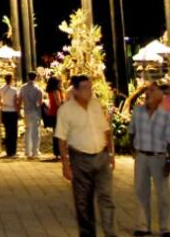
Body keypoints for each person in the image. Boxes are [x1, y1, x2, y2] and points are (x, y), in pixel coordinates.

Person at [55, 75, 116, 237]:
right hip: (80, 158)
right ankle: (88, 233)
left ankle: (110, 232)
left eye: (90, 87)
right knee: (83, 202)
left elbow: (106, 130)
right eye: (84, 88)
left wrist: (111, 153)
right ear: (75, 90)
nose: (88, 91)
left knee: (106, 198)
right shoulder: (66, 110)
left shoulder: (95, 105)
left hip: (101, 156)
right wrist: (65, 164)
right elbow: (61, 139)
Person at [128, 83, 170, 237]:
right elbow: (131, 131)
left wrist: (169, 161)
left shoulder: (166, 115)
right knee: (141, 191)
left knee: (163, 194)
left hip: (159, 156)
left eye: (151, 94)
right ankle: (142, 226)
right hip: (142, 155)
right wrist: (133, 149)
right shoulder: (138, 112)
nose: (147, 96)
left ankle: (166, 227)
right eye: (146, 94)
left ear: (158, 98)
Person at [19, 72, 44, 159]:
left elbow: (20, 99)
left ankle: (27, 151)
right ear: (36, 77)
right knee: (35, 131)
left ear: (28, 77)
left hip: (26, 111)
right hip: (35, 111)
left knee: (28, 130)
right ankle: (35, 151)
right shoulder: (38, 89)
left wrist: (19, 110)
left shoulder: (23, 87)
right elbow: (40, 102)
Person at [0, 74, 20, 158]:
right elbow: (16, 102)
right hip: (12, 111)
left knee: (7, 131)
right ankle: (13, 151)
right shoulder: (14, 90)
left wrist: (4, 105)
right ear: (11, 79)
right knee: (13, 132)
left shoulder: (1, 89)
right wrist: (18, 112)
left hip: (4, 111)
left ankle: (8, 151)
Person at [45, 75, 64, 161]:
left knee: (55, 133)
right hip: (57, 113)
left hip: (52, 112)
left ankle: (56, 153)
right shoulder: (56, 91)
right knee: (58, 134)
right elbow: (58, 103)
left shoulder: (50, 91)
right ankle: (58, 152)